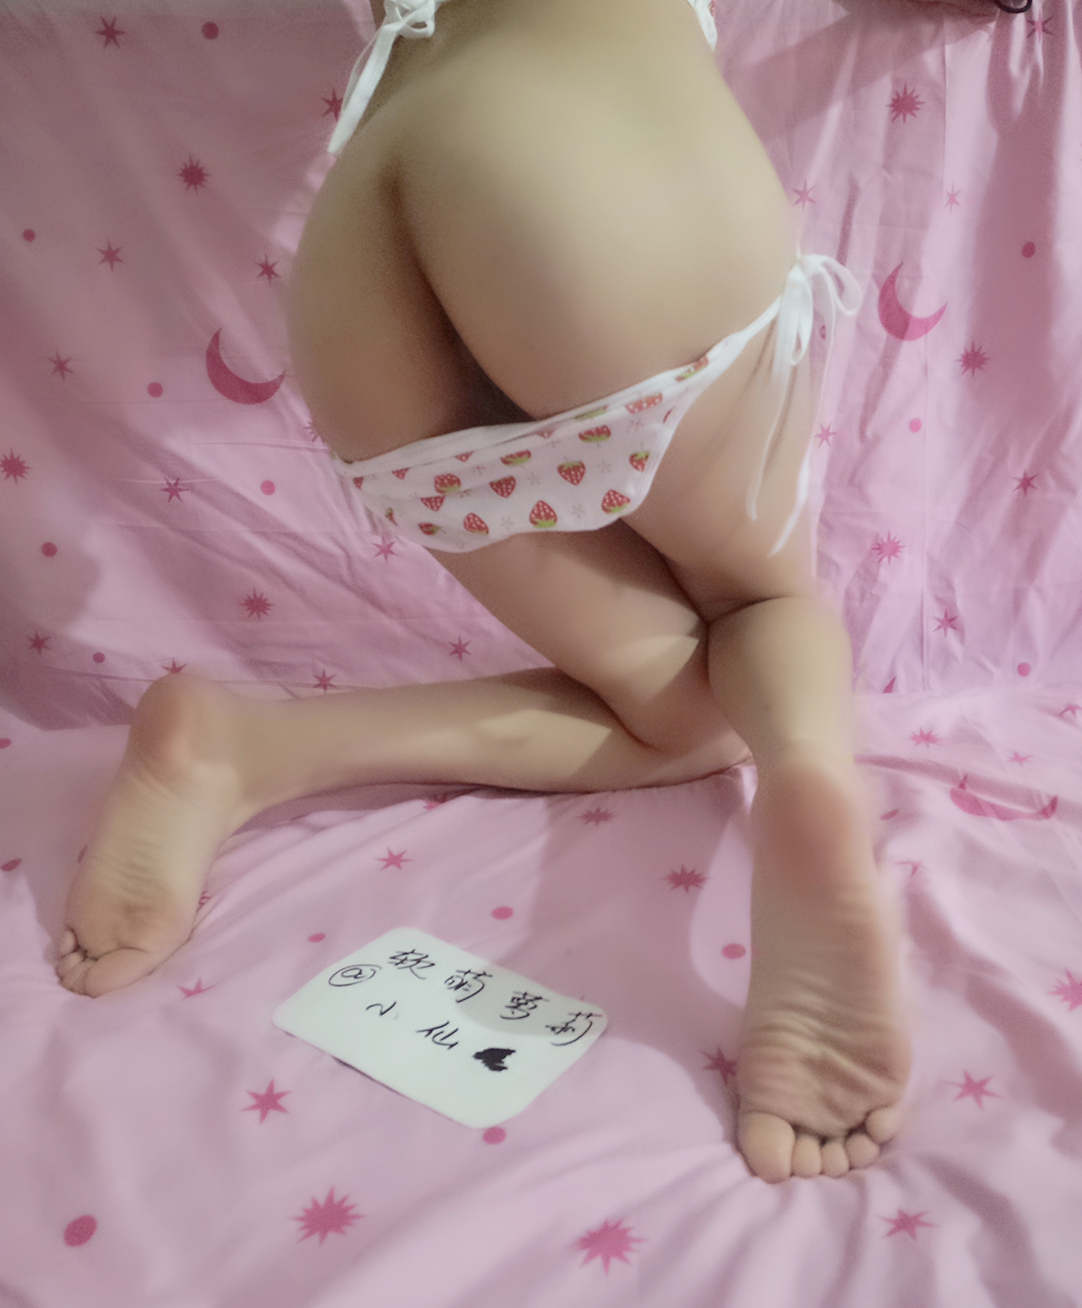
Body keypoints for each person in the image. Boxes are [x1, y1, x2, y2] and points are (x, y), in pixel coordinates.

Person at [54, 0, 953, 1185]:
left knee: (684, 707)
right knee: (754, 609)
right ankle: (809, 783)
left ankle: (238, 748)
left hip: (364, 229)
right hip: (581, 158)